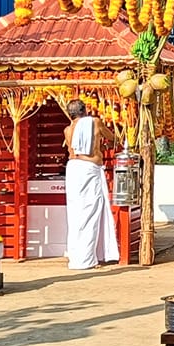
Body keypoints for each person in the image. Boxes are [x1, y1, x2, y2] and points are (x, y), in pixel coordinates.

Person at [62, 101, 119, 270]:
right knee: (90, 212)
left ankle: (79, 256)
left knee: (76, 214)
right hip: (88, 169)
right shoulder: (94, 122)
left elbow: (76, 149)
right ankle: (85, 260)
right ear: (85, 111)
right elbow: (112, 137)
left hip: (73, 169)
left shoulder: (67, 130)